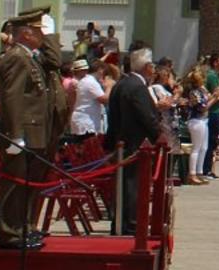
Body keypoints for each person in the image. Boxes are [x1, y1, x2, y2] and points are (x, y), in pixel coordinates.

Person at [0, 10, 65, 250]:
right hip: (22, 132)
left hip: (33, 131)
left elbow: (54, 60)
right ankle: (10, 232)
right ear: (26, 33)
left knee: (27, 184)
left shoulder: (30, 57)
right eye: (39, 31)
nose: (43, 36)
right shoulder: (17, 57)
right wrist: (14, 135)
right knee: (16, 184)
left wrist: (52, 34)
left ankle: (22, 227)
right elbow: (12, 98)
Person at [105, 48, 160, 234]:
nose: (154, 70)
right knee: (131, 186)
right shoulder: (137, 87)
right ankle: (130, 224)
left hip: (121, 142)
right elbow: (147, 117)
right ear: (146, 67)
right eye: (152, 66)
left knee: (125, 185)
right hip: (133, 145)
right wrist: (158, 136)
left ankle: (121, 223)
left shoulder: (122, 83)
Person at [66, 58, 108, 144]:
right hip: (86, 123)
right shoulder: (90, 82)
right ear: (100, 70)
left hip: (83, 120)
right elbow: (104, 99)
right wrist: (109, 86)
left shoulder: (85, 81)